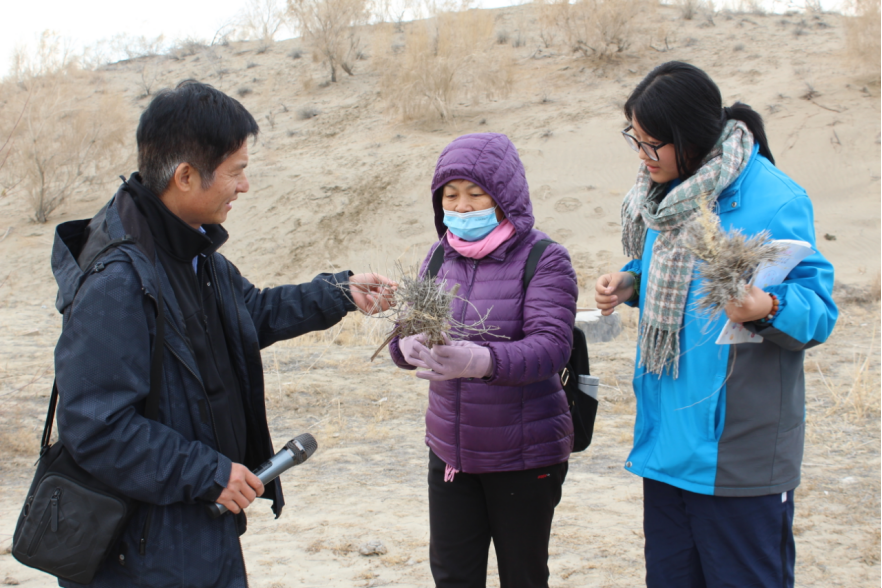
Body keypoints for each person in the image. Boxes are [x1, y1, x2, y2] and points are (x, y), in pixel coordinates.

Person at [50, 80, 394, 587]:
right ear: (186, 176)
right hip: (141, 550)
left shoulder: (189, 250)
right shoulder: (117, 280)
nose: (244, 186)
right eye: (236, 171)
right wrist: (207, 472)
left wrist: (339, 292)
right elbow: (95, 427)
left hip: (200, 525)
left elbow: (247, 313)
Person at [594, 61, 838, 588]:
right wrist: (633, 280)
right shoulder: (663, 196)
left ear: (690, 137)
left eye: (652, 143)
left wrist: (768, 307)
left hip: (738, 458)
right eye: (634, 139)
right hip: (667, 447)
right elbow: (674, 278)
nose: (642, 155)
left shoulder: (776, 199)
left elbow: (819, 312)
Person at [388, 133, 578, 588]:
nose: (462, 206)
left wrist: (482, 361)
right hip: (451, 453)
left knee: (523, 577)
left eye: (476, 194)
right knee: (453, 576)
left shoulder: (544, 258)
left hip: (523, 455)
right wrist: (404, 346)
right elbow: (407, 326)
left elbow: (552, 346)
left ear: (505, 196)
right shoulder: (438, 256)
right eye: (451, 195)